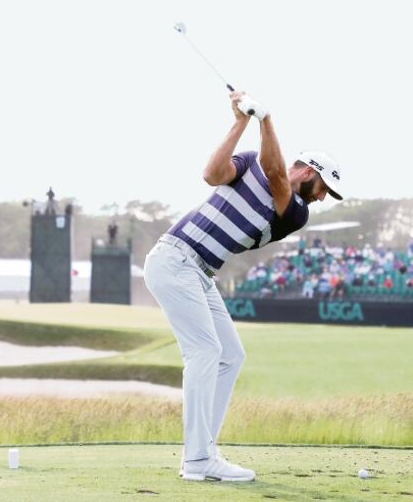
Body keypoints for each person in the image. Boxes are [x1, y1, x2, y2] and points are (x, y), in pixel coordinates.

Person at [143, 90, 342, 482]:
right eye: (323, 189)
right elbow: (212, 174)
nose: (321, 199)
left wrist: (266, 119)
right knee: (204, 351)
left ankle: (204, 450)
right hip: (174, 259)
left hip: (199, 273)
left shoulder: (295, 213)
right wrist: (241, 122)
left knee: (230, 355)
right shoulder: (251, 160)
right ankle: (198, 460)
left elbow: (275, 174)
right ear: (310, 172)